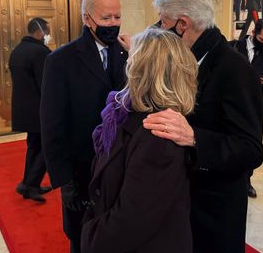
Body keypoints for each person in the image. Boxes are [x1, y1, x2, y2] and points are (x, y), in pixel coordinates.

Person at [119, 0, 263, 253]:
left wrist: (194, 137)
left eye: (163, 22)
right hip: (178, 206)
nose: (159, 28)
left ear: (182, 24)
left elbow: (250, 150)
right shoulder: (180, 57)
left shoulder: (236, 70)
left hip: (212, 212)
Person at [81, 28, 197, 253]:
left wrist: (91, 235)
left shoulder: (158, 134)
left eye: (132, 59)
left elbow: (131, 220)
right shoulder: (127, 113)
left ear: (142, 70)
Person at [40, 0, 127, 253]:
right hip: (82, 169)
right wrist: (64, 180)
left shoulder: (129, 53)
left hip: (121, 167)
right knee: (82, 239)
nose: (112, 24)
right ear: (87, 19)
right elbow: (52, 124)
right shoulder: (60, 61)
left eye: (117, 17)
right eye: (105, 18)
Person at [9, 17, 52, 202]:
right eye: (47, 31)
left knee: (34, 147)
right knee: (46, 147)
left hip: (24, 108)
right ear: (39, 32)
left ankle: (27, 182)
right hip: (39, 109)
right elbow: (46, 83)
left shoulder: (17, 50)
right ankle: (30, 185)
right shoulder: (40, 52)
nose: (48, 35)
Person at [231, 17, 263, 198]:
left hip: (253, 108)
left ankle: (246, 180)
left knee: (250, 143)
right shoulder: (232, 47)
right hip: (230, 103)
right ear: (253, 32)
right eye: (261, 40)